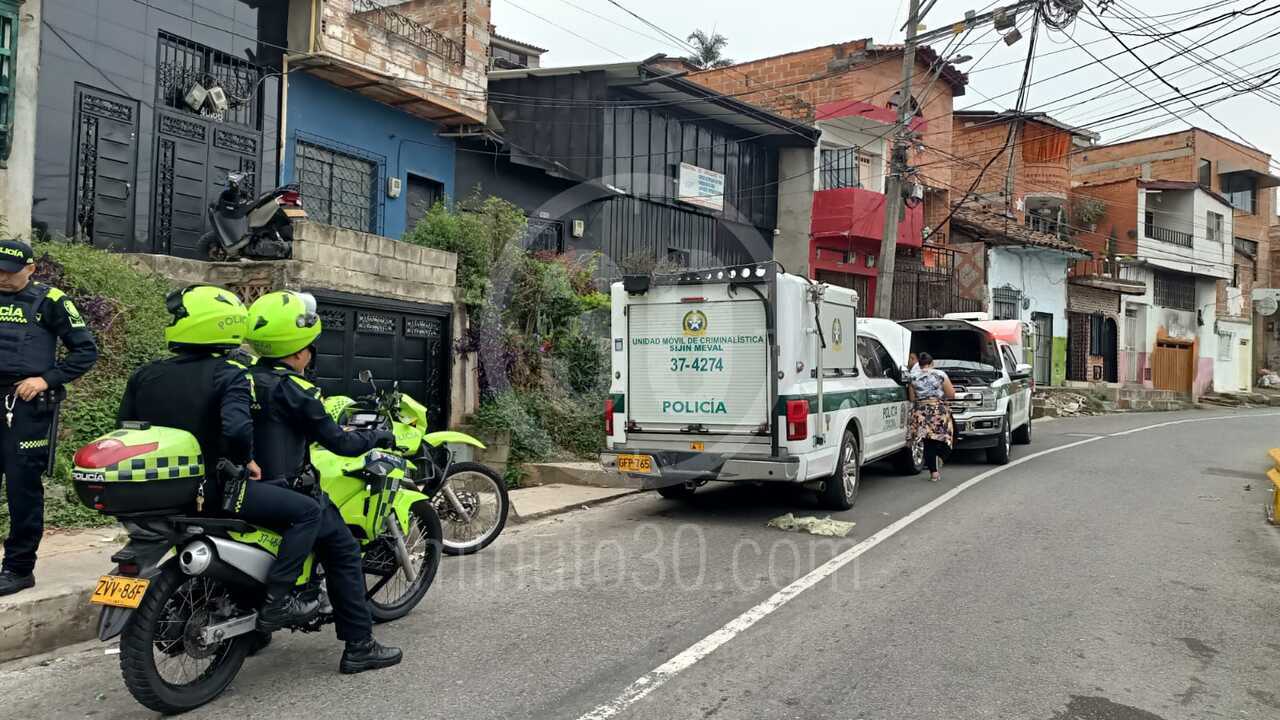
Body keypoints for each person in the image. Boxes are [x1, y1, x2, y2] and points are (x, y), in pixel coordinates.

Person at [118, 284, 322, 632]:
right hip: (213, 490)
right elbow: (238, 430)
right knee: (308, 512)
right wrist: (246, 461)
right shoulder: (230, 373)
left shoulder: (146, 373)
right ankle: (279, 601)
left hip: (161, 491)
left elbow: (127, 427)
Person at [244, 290, 403, 675]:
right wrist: (377, 437)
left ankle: (252, 632)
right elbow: (340, 443)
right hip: (288, 490)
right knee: (344, 550)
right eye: (309, 348)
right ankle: (359, 646)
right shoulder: (297, 390)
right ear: (299, 353)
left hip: (242, 488)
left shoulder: (241, 377)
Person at [0, 240, 98, 597]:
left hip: (26, 405)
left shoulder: (51, 301)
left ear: (31, 269)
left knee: (22, 487)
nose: (3, 277)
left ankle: (18, 568)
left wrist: (45, 379)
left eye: (9, 271)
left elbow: (86, 351)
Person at [907, 352, 955, 482]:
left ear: (920, 364)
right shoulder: (940, 375)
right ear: (932, 363)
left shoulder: (912, 377)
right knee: (946, 437)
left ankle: (934, 473)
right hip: (938, 411)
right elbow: (951, 394)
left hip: (921, 413)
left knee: (927, 442)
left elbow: (912, 398)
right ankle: (941, 457)